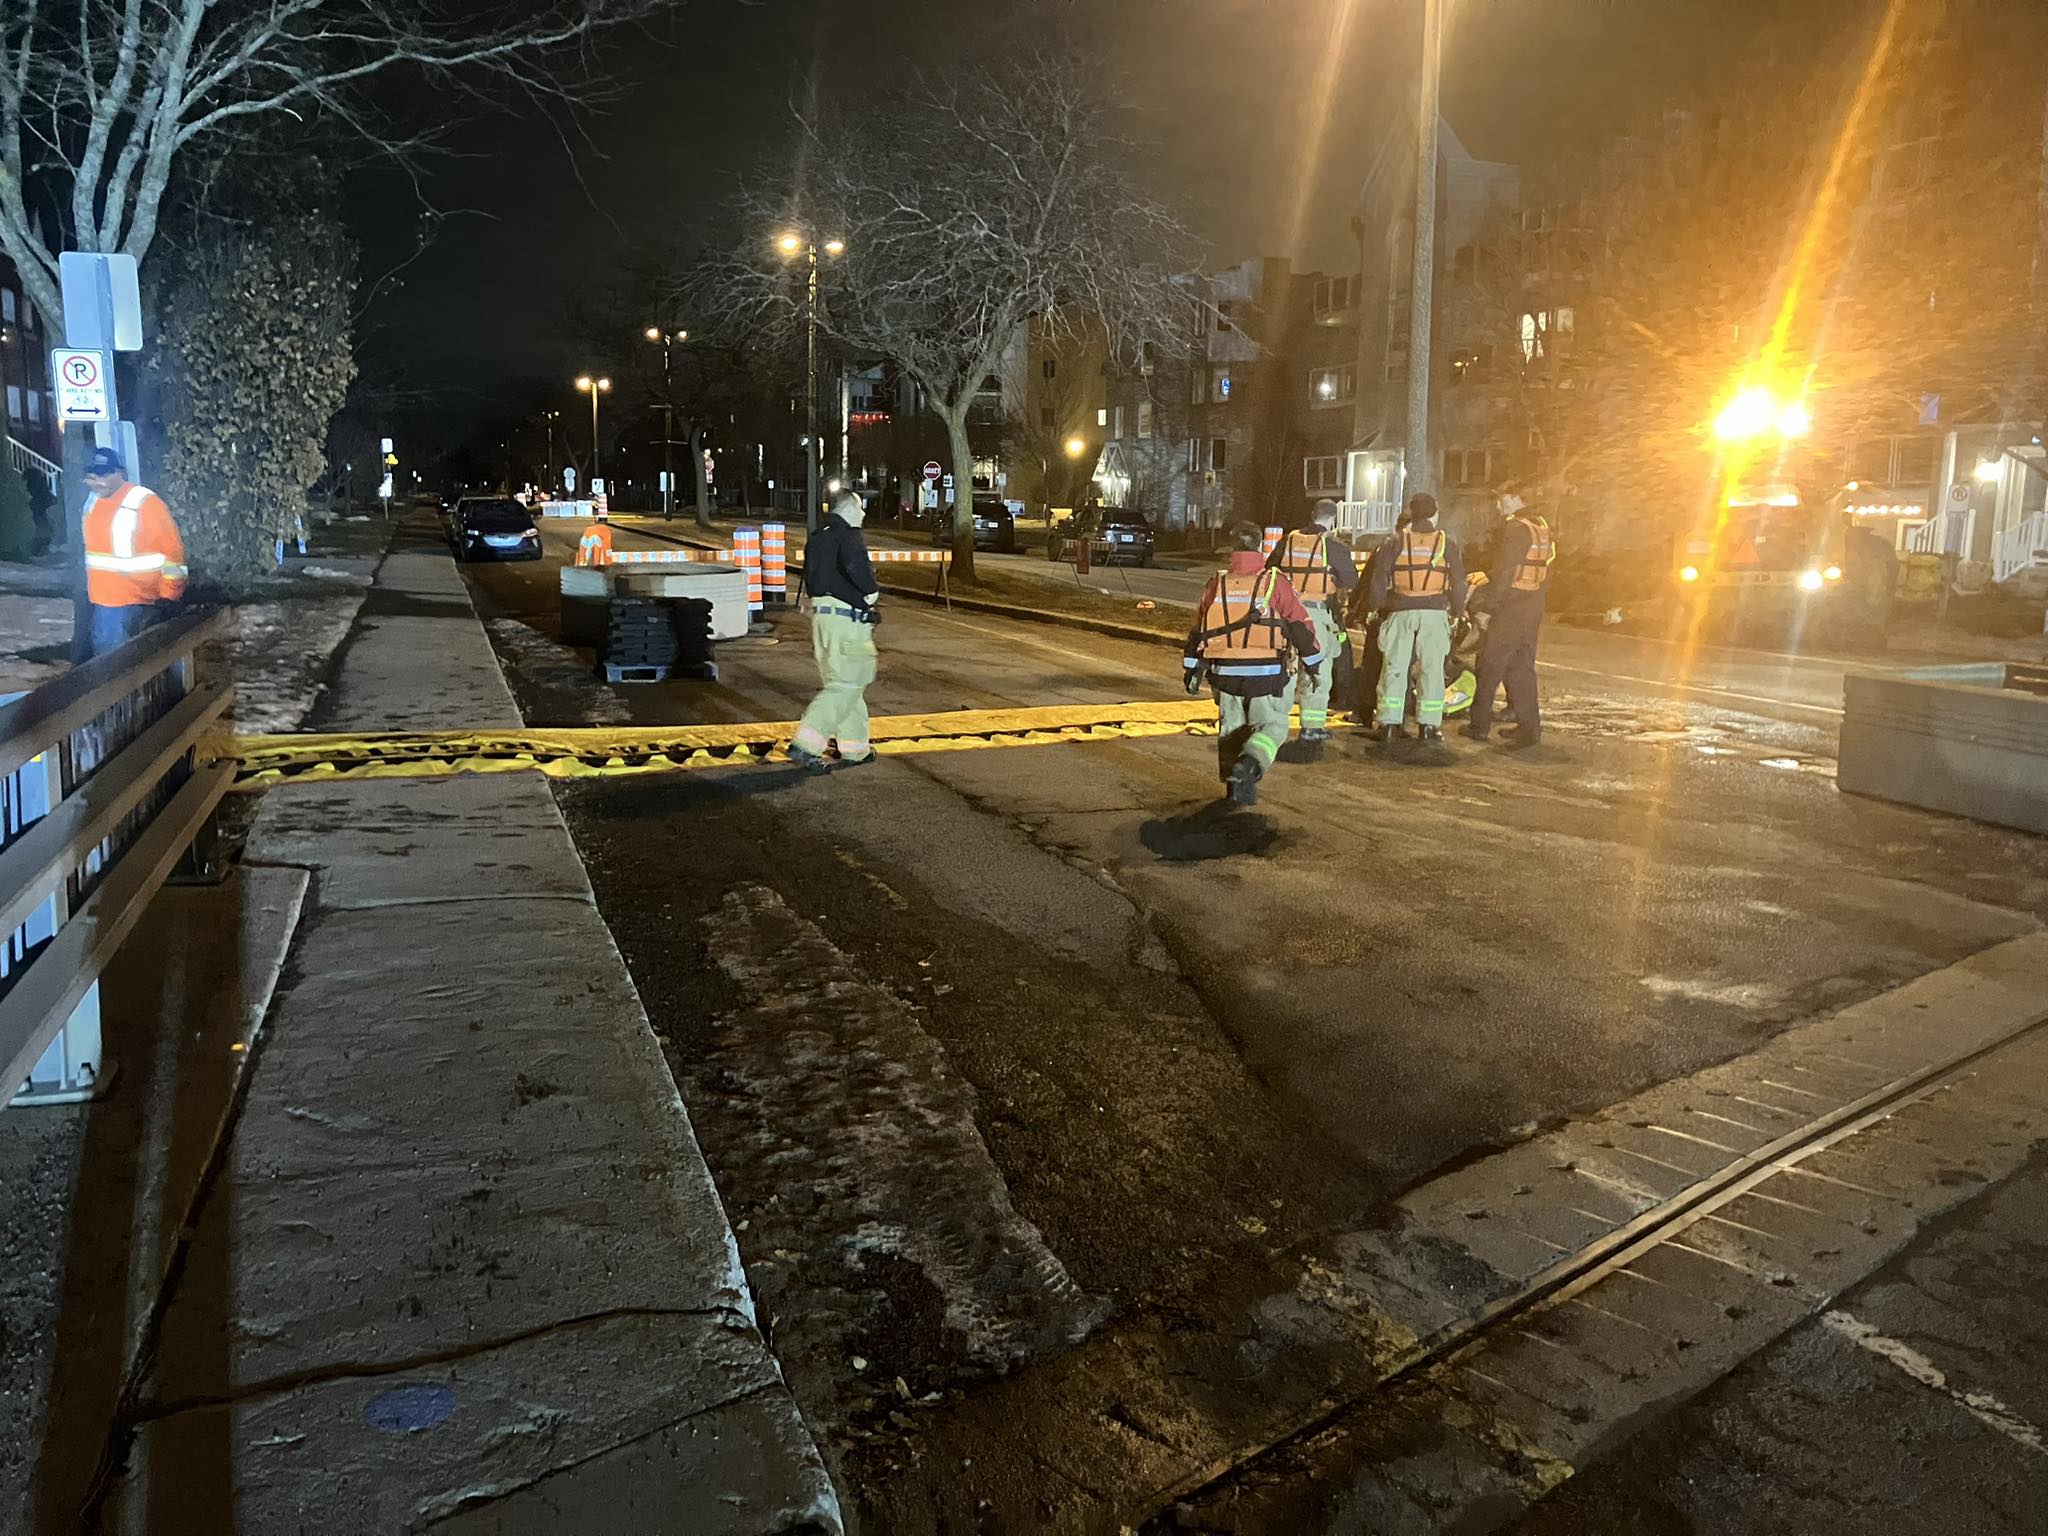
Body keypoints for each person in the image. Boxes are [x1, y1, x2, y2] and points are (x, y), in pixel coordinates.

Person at [1185, 522, 1324, 806]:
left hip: (1225, 675)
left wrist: (1191, 668)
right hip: (1267, 675)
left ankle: (1234, 791)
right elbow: (1300, 624)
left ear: (1232, 547)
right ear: (1260, 546)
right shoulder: (1274, 582)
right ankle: (1249, 764)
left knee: (1231, 729)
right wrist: (1313, 662)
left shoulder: (1217, 583)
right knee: (1272, 727)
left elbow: (1197, 630)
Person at [789, 488, 882, 773]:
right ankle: (806, 744)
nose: (863, 513)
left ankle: (856, 749)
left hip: (823, 622)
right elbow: (857, 569)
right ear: (849, 509)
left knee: (846, 684)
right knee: (847, 684)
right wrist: (871, 593)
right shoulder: (848, 536)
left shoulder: (818, 537)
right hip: (846, 622)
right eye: (860, 507)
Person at [1368, 492, 1465, 744]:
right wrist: (1457, 610)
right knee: (1432, 670)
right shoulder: (1446, 543)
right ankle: (1428, 726)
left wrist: (1375, 607)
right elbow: (1458, 581)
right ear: (1434, 514)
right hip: (1434, 614)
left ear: (1412, 513)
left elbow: (1379, 577)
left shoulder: (1395, 541)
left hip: (1401, 611)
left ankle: (1389, 724)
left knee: (1394, 668)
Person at [1464, 490, 1554, 747]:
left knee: (1489, 664)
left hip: (1510, 606)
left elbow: (1505, 573)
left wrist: (1487, 608)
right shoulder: (1540, 528)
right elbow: (1546, 571)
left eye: (1502, 500)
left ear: (1516, 499)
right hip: (1532, 605)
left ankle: (1478, 726)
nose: (1498, 506)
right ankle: (1529, 728)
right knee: (1521, 666)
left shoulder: (1516, 530)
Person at [1268, 498, 1358, 752]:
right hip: (1315, 615)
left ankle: (1273, 724)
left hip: (1285, 613)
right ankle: (1311, 728)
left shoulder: (1288, 541)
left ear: (1312, 515)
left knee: (1285, 668)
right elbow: (1350, 579)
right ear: (1333, 519)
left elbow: (1270, 570)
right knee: (1316, 670)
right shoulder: (1332, 545)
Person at [81, 446, 187, 657]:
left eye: (103, 475)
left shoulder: (145, 503)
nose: (97, 482)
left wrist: (169, 596)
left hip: (138, 603)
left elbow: (173, 552)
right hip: (104, 603)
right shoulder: (92, 502)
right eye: (91, 477)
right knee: (116, 666)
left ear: (119, 473)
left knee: (123, 665)